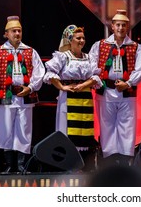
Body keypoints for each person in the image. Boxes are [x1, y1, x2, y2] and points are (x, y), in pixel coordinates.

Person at [89, 9, 141, 166]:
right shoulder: (100, 45)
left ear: (127, 27)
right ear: (112, 26)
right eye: (118, 25)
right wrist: (100, 81)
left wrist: (128, 83)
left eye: (124, 25)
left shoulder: (136, 47)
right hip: (106, 91)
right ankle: (109, 160)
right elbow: (92, 65)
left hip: (127, 92)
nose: (121, 28)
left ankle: (125, 160)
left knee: (127, 125)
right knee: (106, 125)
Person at [0, 16, 45, 173]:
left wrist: (31, 87)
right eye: (14, 31)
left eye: (19, 30)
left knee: (24, 129)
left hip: (24, 95)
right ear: (6, 34)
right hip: (5, 94)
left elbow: (40, 72)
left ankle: (20, 165)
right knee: (4, 129)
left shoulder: (30, 51)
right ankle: (7, 165)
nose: (17, 33)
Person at [43, 24, 102, 171]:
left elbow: (96, 76)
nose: (81, 40)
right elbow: (50, 73)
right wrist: (62, 87)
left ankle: (85, 165)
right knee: (67, 130)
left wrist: (84, 85)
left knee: (86, 131)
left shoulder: (89, 58)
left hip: (85, 99)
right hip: (68, 98)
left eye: (83, 38)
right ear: (70, 39)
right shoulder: (63, 57)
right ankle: (68, 164)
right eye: (78, 38)